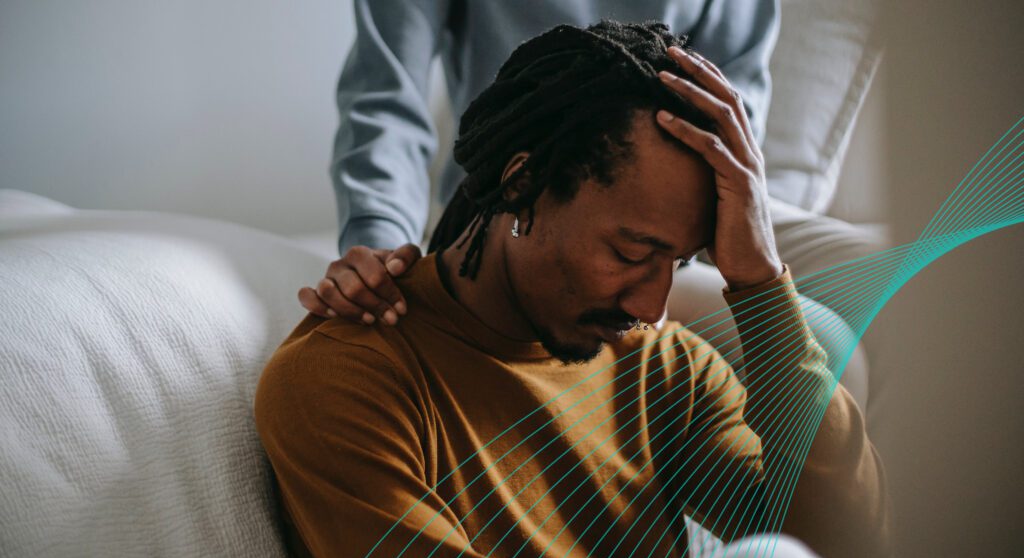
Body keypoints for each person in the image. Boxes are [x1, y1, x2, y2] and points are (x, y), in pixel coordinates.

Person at [257, 22, 891, 558]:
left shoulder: (663, 365)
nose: (653, 304)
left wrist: (759, 283)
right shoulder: (347, 381)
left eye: (678, 263)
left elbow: (848, 554)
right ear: (523, 182)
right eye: (630, 252)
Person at [300, 0, 878, 415]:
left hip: (691, 210)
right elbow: (386, 94)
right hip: (537, 207)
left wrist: (744, 252)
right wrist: (379, 240)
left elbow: (738, 94)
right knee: (828, 347)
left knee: (902, 281)